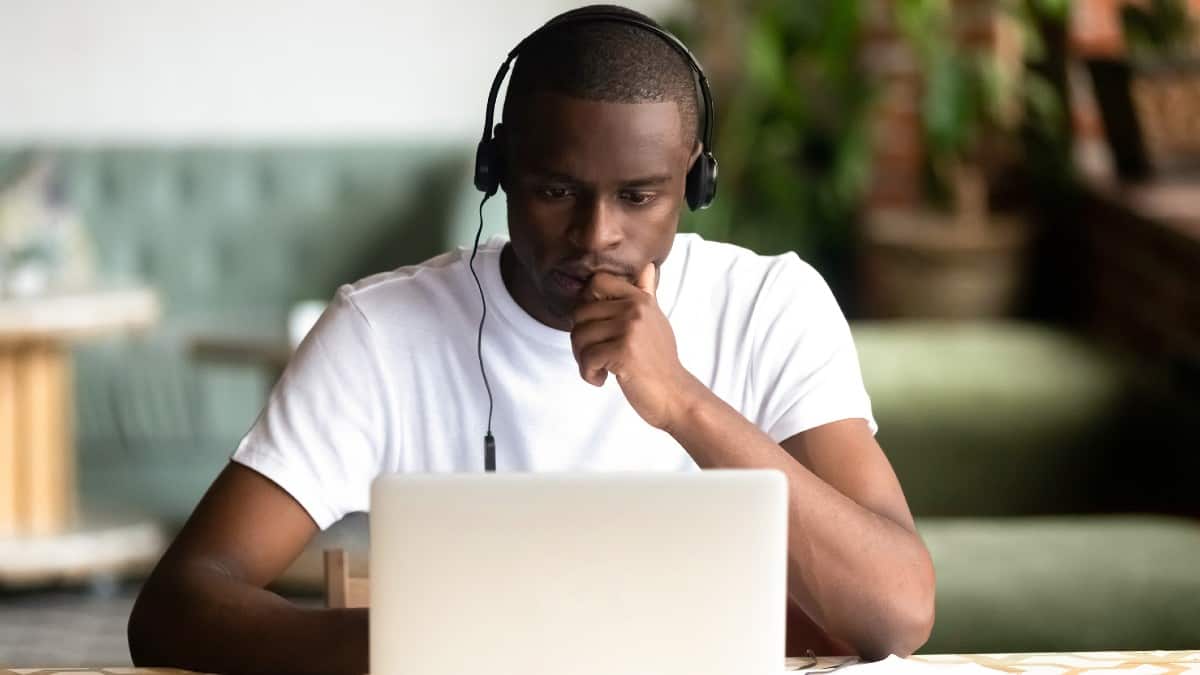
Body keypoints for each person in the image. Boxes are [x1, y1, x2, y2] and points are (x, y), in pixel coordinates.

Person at [127, 6, 935, 674]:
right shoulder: (380, 334)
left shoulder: (770, 305)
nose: (596, 235)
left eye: (639, 196)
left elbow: (897, 610)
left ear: (695, 180)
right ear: (500, 169)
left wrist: (682, 401)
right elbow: (176, 605)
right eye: (556, 190)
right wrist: (423, 646)